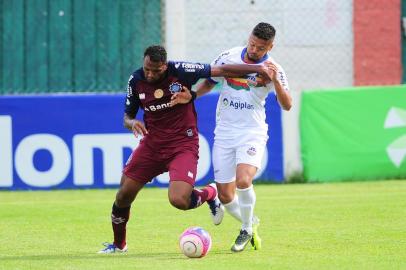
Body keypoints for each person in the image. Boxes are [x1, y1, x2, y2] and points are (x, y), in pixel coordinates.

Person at [98, 45, 275, 253]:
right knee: (123, 195)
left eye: (156, 70)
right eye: (147, 68)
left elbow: (221, 70)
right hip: (152, 145)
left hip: (183, 144)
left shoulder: (181, 70)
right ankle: (119, 245)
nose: (150, 74)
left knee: (179, 200)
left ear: (165, 66)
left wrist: (260, 68)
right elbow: (127, 116)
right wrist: (132, 123)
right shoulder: (136, 80)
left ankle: (210, 194)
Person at [173, 22, 292, 252]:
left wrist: (275, 80)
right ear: (249, 38)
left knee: (243, 181)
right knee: (227, 197)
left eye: (261, 47)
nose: (254, 50)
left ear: (271, 46)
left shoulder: (274, 68)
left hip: (252, 132)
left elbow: (287, 105)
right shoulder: (229, 56)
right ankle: (251, 223)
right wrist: (193, 95)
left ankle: (246, 228)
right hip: (225, 132)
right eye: (252, 44)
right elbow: (210, 80)